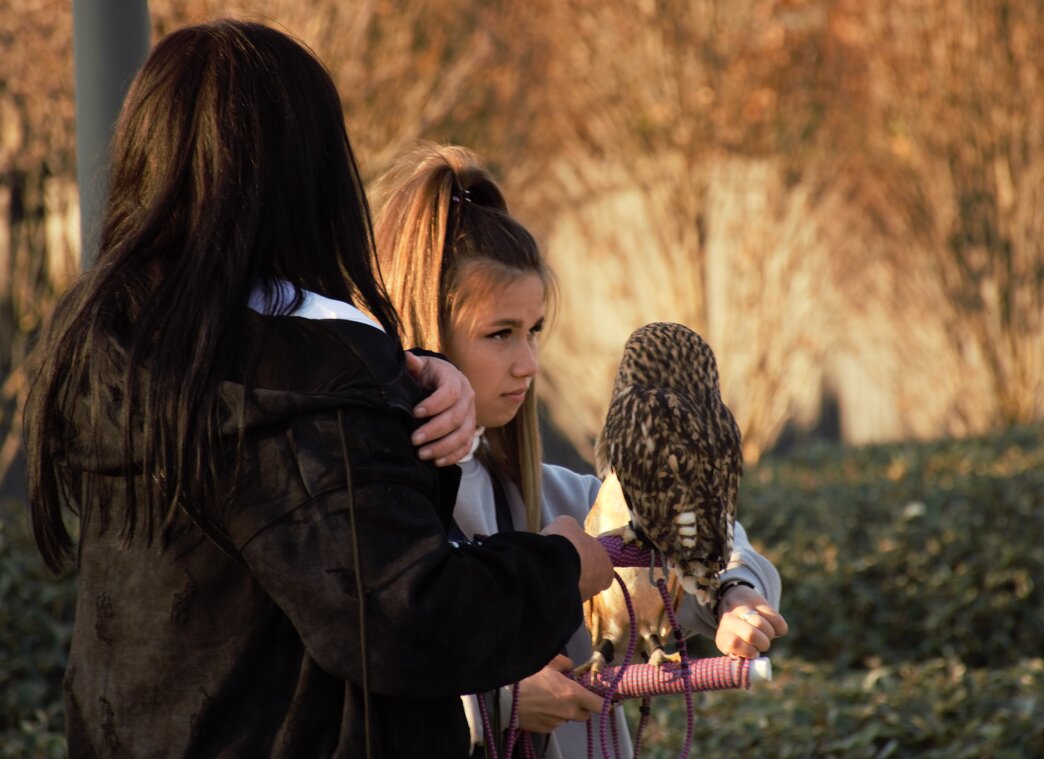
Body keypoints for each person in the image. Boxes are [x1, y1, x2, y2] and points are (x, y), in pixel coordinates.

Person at [22, 20, 613, 758]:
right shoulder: (304, 379)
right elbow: (404, 617)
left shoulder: (109, 354)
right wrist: (559, 567)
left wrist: (405, 373)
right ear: (308, 172)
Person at [373, 143, 789, 758]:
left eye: (535, 330)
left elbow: (701, 532)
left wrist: (736, 596)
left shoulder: (560, 501)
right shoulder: (363, 512)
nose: (529, 363)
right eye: (500, 334)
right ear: (423, 334)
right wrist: (494, 705)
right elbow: (347, 675)